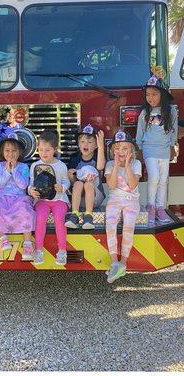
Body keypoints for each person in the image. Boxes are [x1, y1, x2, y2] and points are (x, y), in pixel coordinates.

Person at [0, 133, 36, 260]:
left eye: (14, 150)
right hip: (2, 197)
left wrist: (14, 170)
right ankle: (3, 238)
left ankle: (28, 243)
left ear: (19, 153)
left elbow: (23, 185)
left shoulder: (23, 167)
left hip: (19, 198)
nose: (10, 153)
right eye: (7, 150)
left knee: (26, 212)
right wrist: (7, 171)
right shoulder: (0, 166)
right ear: (3, 152)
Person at [136, 74, 178, 225]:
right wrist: (139, 149)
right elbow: (139, 133)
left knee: (163, 180)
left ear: (163, 95)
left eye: (154, 94)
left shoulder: (171, 111)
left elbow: (173, 131)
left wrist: (173, 146)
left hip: (164, 150)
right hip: (149, 150)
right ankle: (150, 207)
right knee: (153, 177)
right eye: (148, 94)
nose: (150, 98)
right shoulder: (144, 113)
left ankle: (161, 208)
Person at [28, 130, 70, 266]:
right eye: (41, 149)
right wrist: (31, 191)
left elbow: (66, 181)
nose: (44, 153)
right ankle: (39, 249)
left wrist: (62, 188)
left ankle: (62, 251)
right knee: (40, 219)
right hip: (42, 201)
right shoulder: (35, 166)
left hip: (59, 200)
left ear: (55, 149)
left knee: (59, 220)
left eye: (47, 150)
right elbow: (31, 183)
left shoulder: (61, 165)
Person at [105, 130, 142, 283]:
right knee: (110, 226)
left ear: (131, 152)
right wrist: (115, 166)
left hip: (131, 201)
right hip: (114, 199)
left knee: (128, 228)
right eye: (117, 148)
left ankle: (123, 264)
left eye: (125, 148)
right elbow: (112, 185)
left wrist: (127, 166)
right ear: (113, 151)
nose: (121, 151)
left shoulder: (136, 164)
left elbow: (133, 186)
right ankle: (114, 262)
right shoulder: (109, 164)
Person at [65, 124, 106, 229]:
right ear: (78, 144)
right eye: (82, 141)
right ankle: (74, 215)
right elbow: (73, 183)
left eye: (90, 142)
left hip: (95, 198)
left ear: (96, 145)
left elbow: (101, 166)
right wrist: (71, 176)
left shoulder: (97, 158)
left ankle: (88, 216)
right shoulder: (75, 159)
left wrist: (101, 146)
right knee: (78, 183)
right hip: (79, 199)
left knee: (88, 184)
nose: (86, 144)